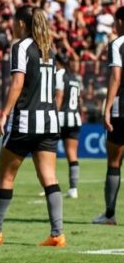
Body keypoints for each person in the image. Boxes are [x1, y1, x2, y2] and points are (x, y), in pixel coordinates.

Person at [0, 5, 65, 247]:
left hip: (25, 122)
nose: (12, 26)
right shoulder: (49, 50)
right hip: (49, 121)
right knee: (49, 177)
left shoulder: (20, 47)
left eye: (14, 22)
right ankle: (57, 233)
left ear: (21, 23)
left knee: (6, 175)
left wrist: (3, 114)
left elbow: (17, 84)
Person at [93, 6, 124, 225]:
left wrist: (107, 107)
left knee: (114, 162)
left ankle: (110, 215)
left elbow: (115, 77)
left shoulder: (117, 44)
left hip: (121, 109)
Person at [55, 54, 83, 199]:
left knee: (49, 152)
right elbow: (79, 101)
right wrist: (81, 115)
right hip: (75, 118)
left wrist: (53, 115)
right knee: (72, 154)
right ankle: (73, 189)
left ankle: (51, 186)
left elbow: (59, 96)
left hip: (61, 119)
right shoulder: (75, 78)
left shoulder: (60, 75)